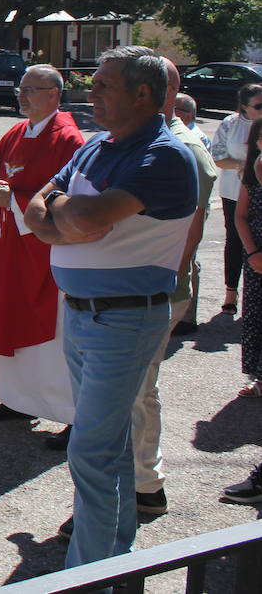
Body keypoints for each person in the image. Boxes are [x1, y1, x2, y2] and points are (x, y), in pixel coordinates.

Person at [25, 46, 197, 574]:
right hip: (84, 313)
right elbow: (43, 206)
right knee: (109, 445)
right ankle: (112, 562)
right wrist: (63, 213)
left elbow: (89, 213)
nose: (91, 93)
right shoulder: (99, 147)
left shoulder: (163, 155)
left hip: (122, 317)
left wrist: (62, 211)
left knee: (92, 450)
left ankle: (88, 575)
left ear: (142, 94)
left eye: (104, 85)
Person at [0, 65, 84, 424]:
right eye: (21, 90)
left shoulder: (69, 140)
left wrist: (11, 198)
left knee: (50, 337)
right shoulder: (15, 132)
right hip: (6, 244)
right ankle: (18, 400)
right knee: (7, 316)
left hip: (38, 250)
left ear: (54, 95)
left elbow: (65, 197)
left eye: (31, 90)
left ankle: (68, 413)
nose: (22, 96)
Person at [130, 58, 215, 516]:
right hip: (138, 289)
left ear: (153, 93)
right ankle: (142, 484)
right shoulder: (143, 142)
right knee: (137, 390)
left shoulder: (182, 148)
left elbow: (191, 231)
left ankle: (143, 486)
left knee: (137, 391)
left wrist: (163, 290)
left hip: (157, 291)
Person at [209, 83, 262, 317]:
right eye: (259, 105)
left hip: (257, 190)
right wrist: (246, 167)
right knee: (235, 239)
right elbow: (218, 157)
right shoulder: (230, 124)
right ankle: (231, 292)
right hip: (234, 190)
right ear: (244, 107)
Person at [233, 117, 262, 400]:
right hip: (255, 256)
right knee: (255, 314)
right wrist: (253, 252)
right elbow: (240, 217)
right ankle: (258, 376)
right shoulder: (250, 176)